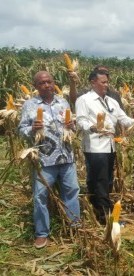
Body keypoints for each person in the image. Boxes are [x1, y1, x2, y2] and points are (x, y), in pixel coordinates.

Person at [18, 71, 80, 248]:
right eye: (42, 83)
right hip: (44, 159)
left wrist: (71, 125)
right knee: (40, 196)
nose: (47, 85)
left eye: (49, 82)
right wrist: (31, 128)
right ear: (36, 86)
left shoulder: (63, 101)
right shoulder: (29, 105)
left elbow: (71, 128)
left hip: (66, 156)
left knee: (72, 191)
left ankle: (74, 226)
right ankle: (42, 233)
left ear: (54, 83)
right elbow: (20, 129)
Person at [75, 70, 134, 225]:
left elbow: (123, 118)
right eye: (103, 82)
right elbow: (80, 121)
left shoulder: (111, 101)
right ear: (93, 82)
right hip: (95, 148)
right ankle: (107, 217)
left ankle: (98, 211)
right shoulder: (84, 100)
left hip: (110, 147)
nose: (106, 85)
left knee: (107, 181)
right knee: (99, 181)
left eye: (107, 82)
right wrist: (94, 127)